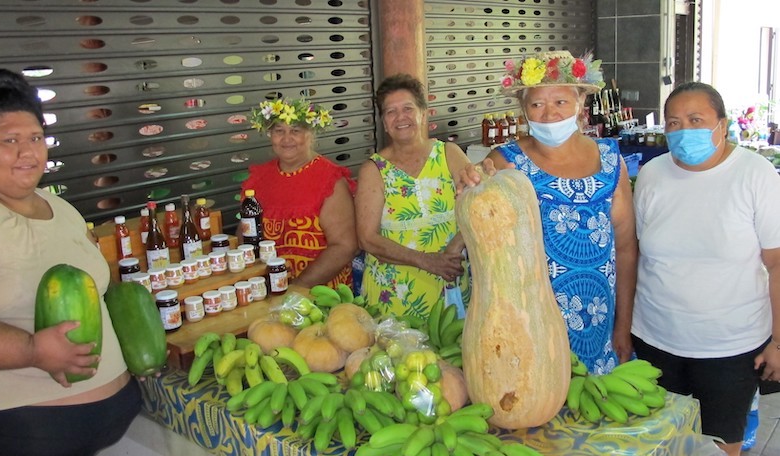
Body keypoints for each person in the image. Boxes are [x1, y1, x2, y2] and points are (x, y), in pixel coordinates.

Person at [0, 69, 141, 456]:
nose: (28, 152)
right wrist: (32, 349)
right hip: (26, 431)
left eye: (35, 138)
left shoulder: (58, 206)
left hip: (78, 435)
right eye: (10, 141)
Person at [631, 82, 780, 456]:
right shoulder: (652, 174)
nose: (683, 132)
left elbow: (777, 265)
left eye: (696, 120)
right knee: (665, 445)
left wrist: (779, 343)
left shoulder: (755, 174)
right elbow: (639, 253)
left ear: (723, 124)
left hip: (729, 347)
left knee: (719, 451)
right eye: (674, 123)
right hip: (656, 339)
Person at [458, 51, 638, 373]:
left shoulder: (611, 161)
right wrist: (472, 183)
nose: (549, 114)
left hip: (597, 318)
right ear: (524, 110)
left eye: (560, 102)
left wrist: (623, 326)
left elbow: (624, 248)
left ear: (580, 103)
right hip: (531, 320)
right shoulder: (504, 161)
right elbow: (481, 222)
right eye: (537, 104)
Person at [356, 73, 470, 319]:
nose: (401, 118)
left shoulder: (449, 153)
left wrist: (456, 245)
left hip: (450, 284)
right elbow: (367, 238)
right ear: (384, 122)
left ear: (422, 113)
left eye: (408, 108)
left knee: (454, 353)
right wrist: (427, 261)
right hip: (394, 292)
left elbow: (478, 207)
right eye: (391, 112)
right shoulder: (374, 169)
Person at [242, 98, 358, 288]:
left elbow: (344, 247)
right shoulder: (259, 178)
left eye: (296, 131)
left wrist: (296, 289)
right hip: (266, 290)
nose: (287, 139)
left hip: (319, 294)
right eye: (279, 131)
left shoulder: (330, 179)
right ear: (270, 135)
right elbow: (246, 230)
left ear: (311, 135)